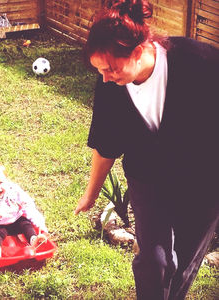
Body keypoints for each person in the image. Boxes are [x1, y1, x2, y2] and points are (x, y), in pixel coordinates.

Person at [74, 0, 219, 299]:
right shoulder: (110, 84)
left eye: (111, 68)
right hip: (149, 178)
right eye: (99, 69)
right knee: (154, 262)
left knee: (184, 262)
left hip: (204, 180)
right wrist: (90, 194)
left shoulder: (200, 61)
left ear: (139, 52)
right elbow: (106, 142)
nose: (105, 77)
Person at [0, 161, 48, 257]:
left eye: (1, 182)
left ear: (6, 181)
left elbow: (28, 205)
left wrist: (39, 223)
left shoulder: (13, 191)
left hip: (16, 220)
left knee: (26, 225)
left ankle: (34, 239)